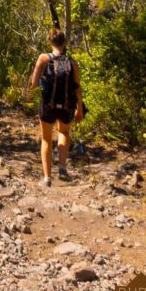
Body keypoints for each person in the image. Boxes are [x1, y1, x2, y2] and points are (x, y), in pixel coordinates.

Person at [30, 29, 84, 186]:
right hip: (67, 106)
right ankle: (62, 168)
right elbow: (77, 89)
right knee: (64, 132)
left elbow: (33, 84)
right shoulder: (72, 63)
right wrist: (79, 108)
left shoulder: (43, 58)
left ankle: (47, 178)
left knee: (46, 139)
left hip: (48, 105)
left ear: (49, 41)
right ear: (64, 43)